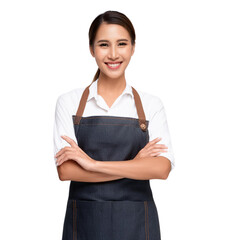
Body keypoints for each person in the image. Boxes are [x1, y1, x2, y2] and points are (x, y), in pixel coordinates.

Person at [53, 10, 175, 240]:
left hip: (138, 225)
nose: (113, 54)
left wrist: (91, 165)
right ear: (91, 49)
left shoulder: (151, 105)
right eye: (103, 45)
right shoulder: (68, 103)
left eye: (121, 44)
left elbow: (161, 169)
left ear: (133, 48)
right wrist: (134, 165)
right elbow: (66, 170)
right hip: (85, 224)